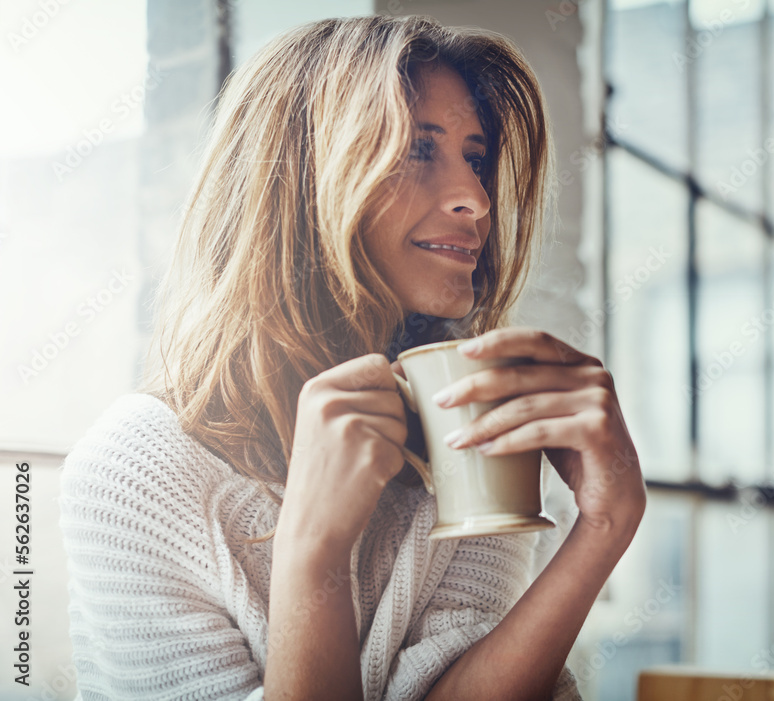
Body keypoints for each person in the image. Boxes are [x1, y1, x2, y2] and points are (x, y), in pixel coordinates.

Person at [58, 14, 646, 700]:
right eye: (418, 152)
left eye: (476, 158)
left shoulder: (466, 431)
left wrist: (604, 527)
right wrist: (312, 552)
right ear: (303, 184)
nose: (478, 199)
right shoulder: (134, 472)